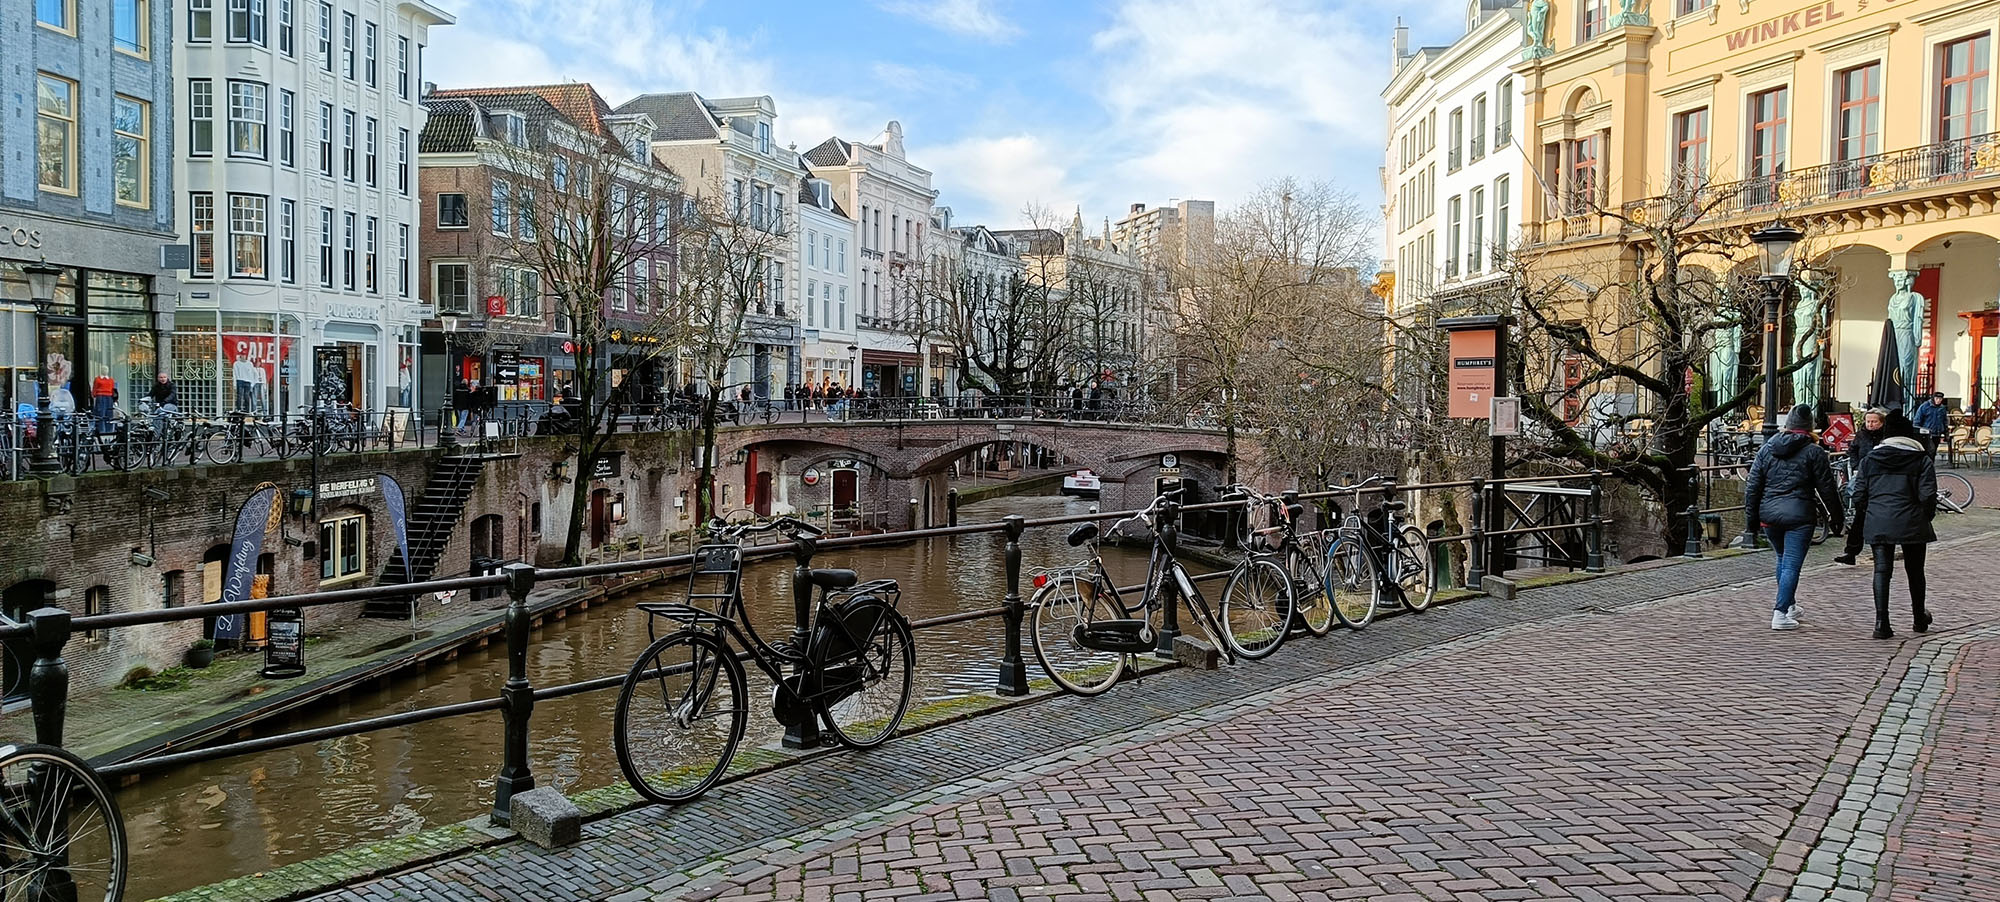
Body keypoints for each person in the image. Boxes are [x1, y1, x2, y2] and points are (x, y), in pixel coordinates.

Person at [1743, 404, 1844, 631]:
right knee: (1791, 564)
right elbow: (1827, 488)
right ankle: (1780, 613)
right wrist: (1838, 519)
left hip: (1769, 515)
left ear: (1786, 426)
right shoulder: (1814, 452)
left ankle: (1789, 606)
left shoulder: (1767, 449)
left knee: (1782, 558)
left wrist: (1751, 522)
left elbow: (1753, 487)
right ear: (1809, 428)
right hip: (1799, 515)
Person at [1849, 411, 1937, 639]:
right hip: (1912, 519)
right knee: (1915, 571)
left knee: (1881, 570)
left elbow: (1859, 495)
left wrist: (1871, 512)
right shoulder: (1921, 459)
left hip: (1879, 519)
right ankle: (1918, 618)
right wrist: (1926, 516)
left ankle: (1882, 623)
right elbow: (1928, 495)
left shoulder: (1870, 460)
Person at [1835, 407, 1889, 566]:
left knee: (1877, 516)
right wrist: (1856, 465)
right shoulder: (1861, 434)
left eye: (1874, 421)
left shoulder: (1886, 435)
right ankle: (1851, 552)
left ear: (1881, 422)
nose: (1870, 424)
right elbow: (1853, 451)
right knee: (1860, 515)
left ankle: (1880, 552)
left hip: (1881, 479)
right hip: (1864, 477)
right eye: (1868, 421)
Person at [1913, 391, 1948, 456]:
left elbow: (1944, 421)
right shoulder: (1924, 406)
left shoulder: (1942, 408)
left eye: (1940, 399)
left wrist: (1945, 432)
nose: (1938, 400)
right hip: (1926, 434)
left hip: (1937, 433)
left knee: (1933, 452)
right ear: (1933, 398)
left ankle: (1931, 464)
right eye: (1937, 398)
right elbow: (1917, 420)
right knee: (1929, 451)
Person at [91, 369, 118, 434]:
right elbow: (95, 388)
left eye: (106, 369)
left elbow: (112, 389)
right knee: (100, 413)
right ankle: (101, 430)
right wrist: (94, 395)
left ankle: (109, 430)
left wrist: (114, 399)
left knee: (109, 413)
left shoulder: (111, 380)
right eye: (104, 369)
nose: (105, 371)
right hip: (100, 396)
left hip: (109, 397)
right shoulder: (97, 379)